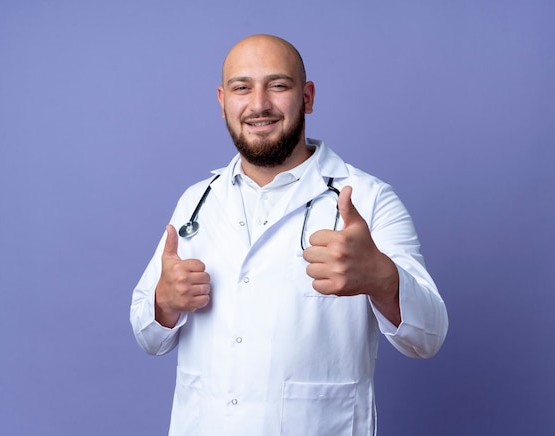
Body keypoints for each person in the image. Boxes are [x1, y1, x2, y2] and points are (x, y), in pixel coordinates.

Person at [130, 34, 448, 436]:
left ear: (308, 97)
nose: (258, 103)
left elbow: (430, 337)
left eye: (278, 85)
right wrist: (163, 303)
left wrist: (382, 279)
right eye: (241, 87)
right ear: (222, 101)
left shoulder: (369, 198)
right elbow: (147, 335)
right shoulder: (197, 201)